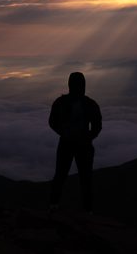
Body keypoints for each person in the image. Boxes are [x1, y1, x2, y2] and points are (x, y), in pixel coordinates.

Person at [48, 72, 102, 213]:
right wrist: (88, 137)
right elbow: (97, 127)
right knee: (85, 179)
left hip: (67, 143)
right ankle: (87, 211)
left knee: (61, 176)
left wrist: (63, 132)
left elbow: (52, 122)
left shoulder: (60, 102)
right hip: (82, 146)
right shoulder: (90, 104)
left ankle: (54, 206)